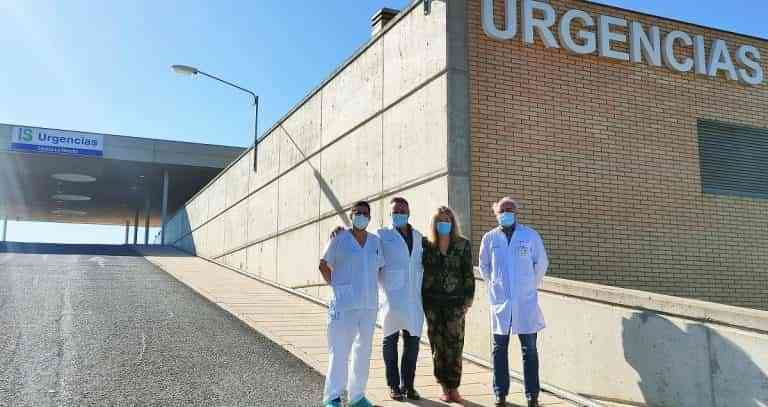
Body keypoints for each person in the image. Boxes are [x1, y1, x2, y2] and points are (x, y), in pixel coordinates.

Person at [478, 197, 549, 407]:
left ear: (516, 213)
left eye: (510, 209)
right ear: (496, 213)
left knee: (530, 350)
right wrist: (494, 286)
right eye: (502, 210)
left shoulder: (529, 235)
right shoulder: (490, 238)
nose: (506, 213)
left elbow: (541, 262)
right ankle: (500, 394)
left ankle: (532, 396)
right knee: (499, 350)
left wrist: (529, 286)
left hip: (525, 302)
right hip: (500, 302)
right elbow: (484, 265)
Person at [318, 201, 382, 407]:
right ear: (351, 215)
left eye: (365, 213)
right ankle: (332, 397)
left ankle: (357, 396)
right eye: (357, 213)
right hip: (344, 306)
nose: (361, 216)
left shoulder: (375, 242)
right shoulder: (339, 238)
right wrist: (337, 288)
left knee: (363, 351)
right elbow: (323, 265)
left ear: (369, 218)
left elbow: (379, 268)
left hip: (368, 306)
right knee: (339, 351)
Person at [421, 205, 475, 403]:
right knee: (437, 346)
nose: (443, 224)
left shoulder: (462, 244)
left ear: (452, 223)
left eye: (447, 220)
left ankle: (454, 387)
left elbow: (468, 274)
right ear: (434, 223)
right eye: (440, 221)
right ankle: (444, 387)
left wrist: (468, 301)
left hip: (455, 304)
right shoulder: (426, 244)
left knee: (455, 345)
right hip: (432, 305)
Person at [377, 197, 425, 401]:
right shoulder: (381, 235)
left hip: (414, 299)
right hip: (391, 298)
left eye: (402, 211)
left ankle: (409, 385)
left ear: (409, 213)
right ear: (390, 214)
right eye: (395, 211)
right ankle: (393, 385)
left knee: (412, 344)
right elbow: (371, 258)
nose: (399, 214)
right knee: (390, 341)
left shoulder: (419, 236)